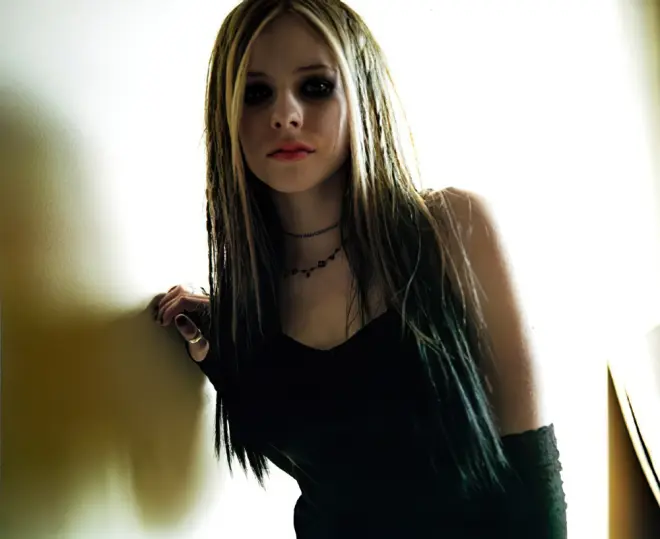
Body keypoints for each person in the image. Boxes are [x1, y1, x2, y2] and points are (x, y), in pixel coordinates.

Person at [153, 0, 567, 537]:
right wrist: (217, 341)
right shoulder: (244, 310)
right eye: (256, 93)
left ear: (361, 95)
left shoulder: (454, 230)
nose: (285, 114)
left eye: (315, 86)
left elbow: (534, 474)